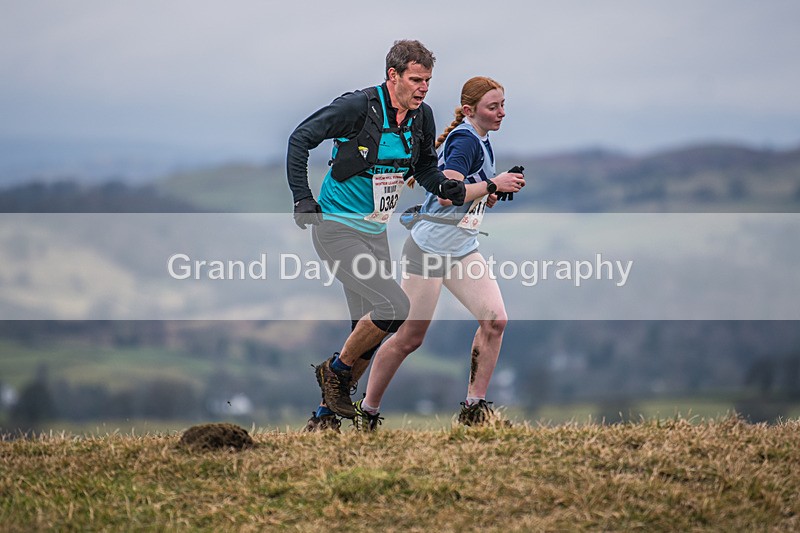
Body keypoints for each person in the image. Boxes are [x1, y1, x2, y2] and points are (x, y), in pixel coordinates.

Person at [286, 40, 467, 431]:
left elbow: (425, 169)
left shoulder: (422, 117)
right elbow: (300, 138)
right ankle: (333, 370)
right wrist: (303, 198)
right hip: (336, 227)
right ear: (393, 76)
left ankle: (323, 419)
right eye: (415, 79)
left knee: (368, 329)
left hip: (374, 232)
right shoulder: (358, 107)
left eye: (428, 81)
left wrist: (445, 188)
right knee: (395, 307)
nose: (423, 88)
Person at [354, 76, 525, 431]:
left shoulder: (479, 137)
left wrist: (486, 194)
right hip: (429, 250)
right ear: (469, 110)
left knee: (495, 321)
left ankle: (473, 410)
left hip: (462, 249)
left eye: (503, 105)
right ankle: (366, 413)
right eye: (493, 107)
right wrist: (494, 184)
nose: (501, 113)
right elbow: (448, 194)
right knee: (408, 339)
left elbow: (462, 190)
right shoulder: (465, 139)